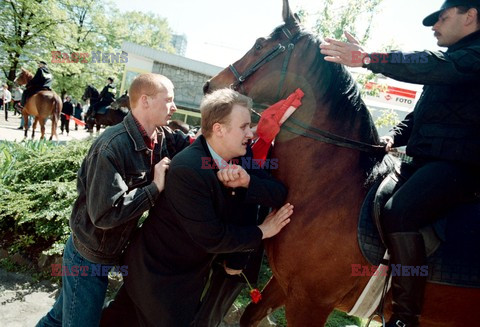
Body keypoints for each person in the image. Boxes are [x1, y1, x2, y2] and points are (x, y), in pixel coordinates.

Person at [320, 1, 480, 326]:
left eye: (443, 18)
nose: (434, 26)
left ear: (470, 16)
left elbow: (428, 65)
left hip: (459, 169)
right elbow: (418, 116)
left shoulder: (470, 57)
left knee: (399, 211)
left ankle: (405, 317)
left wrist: (368, 59)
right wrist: (392, 136)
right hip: (421, 163)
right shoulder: (448, 63)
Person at [101, 88, 293, 327]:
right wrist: (264, 230)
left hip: (187, 275)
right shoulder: (188, 169)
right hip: (157, 276)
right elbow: (211, 237)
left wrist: (248, 181)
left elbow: (279, 192)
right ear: (219, 129)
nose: (250, 133)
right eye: (243, 126)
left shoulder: (242, 156)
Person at [36, 73, 192, 327]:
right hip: (87, 257)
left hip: (106, 252)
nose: (174, 107)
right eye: (169, 100)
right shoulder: (111, 146)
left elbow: (197, 148)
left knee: (58, 318)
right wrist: (154, 188)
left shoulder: (161, 137)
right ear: (145, 101)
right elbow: (104, 214)